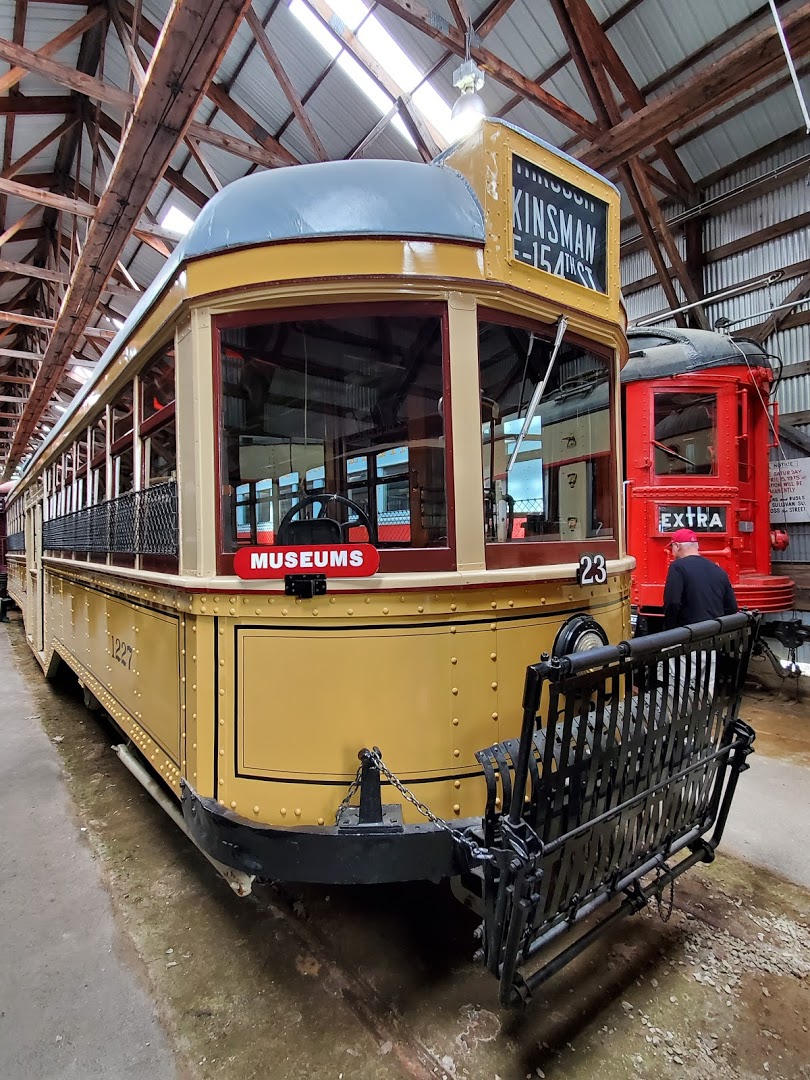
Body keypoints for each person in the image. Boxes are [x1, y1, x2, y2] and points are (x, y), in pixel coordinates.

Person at [663, 528, 738, 629]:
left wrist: (670, 629)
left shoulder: (677, 567)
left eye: (672, 547)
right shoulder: (719, 570)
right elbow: (731, 608)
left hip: (689, 632)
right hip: (715, 632)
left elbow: (672, 602)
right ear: (697, 546)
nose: (672, 552)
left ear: (677, 546)